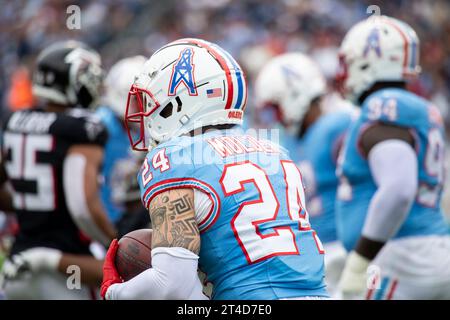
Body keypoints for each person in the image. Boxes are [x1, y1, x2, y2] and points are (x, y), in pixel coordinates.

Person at [101, 38, 327, 300]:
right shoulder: (274, 151)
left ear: (177, 103)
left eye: (151, 102)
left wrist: (114, 292)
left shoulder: (175, 159)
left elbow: (171, 285)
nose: (147, 113)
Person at [336, 15, 450, 300]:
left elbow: (399, 189)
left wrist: (360, 260)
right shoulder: (421, 107)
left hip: (400, 257)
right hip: (426, 248)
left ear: (366, 61)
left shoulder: (384, 105)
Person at [0, 40, 117, 299]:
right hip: (67, 267)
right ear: (71, 81)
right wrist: (114, 242)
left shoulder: (15, 121)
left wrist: (23, 203)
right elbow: (81, 203)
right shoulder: (82, 128)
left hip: (18, 264)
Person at [254, 52, 354, 297]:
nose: (275, 118)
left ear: (295, 94)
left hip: (346, 247)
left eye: (276, 109)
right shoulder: (286, 140)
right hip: (312, 254)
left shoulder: (339, 125)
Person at [96, 55, 146, 224]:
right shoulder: (100, 127)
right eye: (138, 99)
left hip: (128, 217)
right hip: (104, 220)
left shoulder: (146, 129)